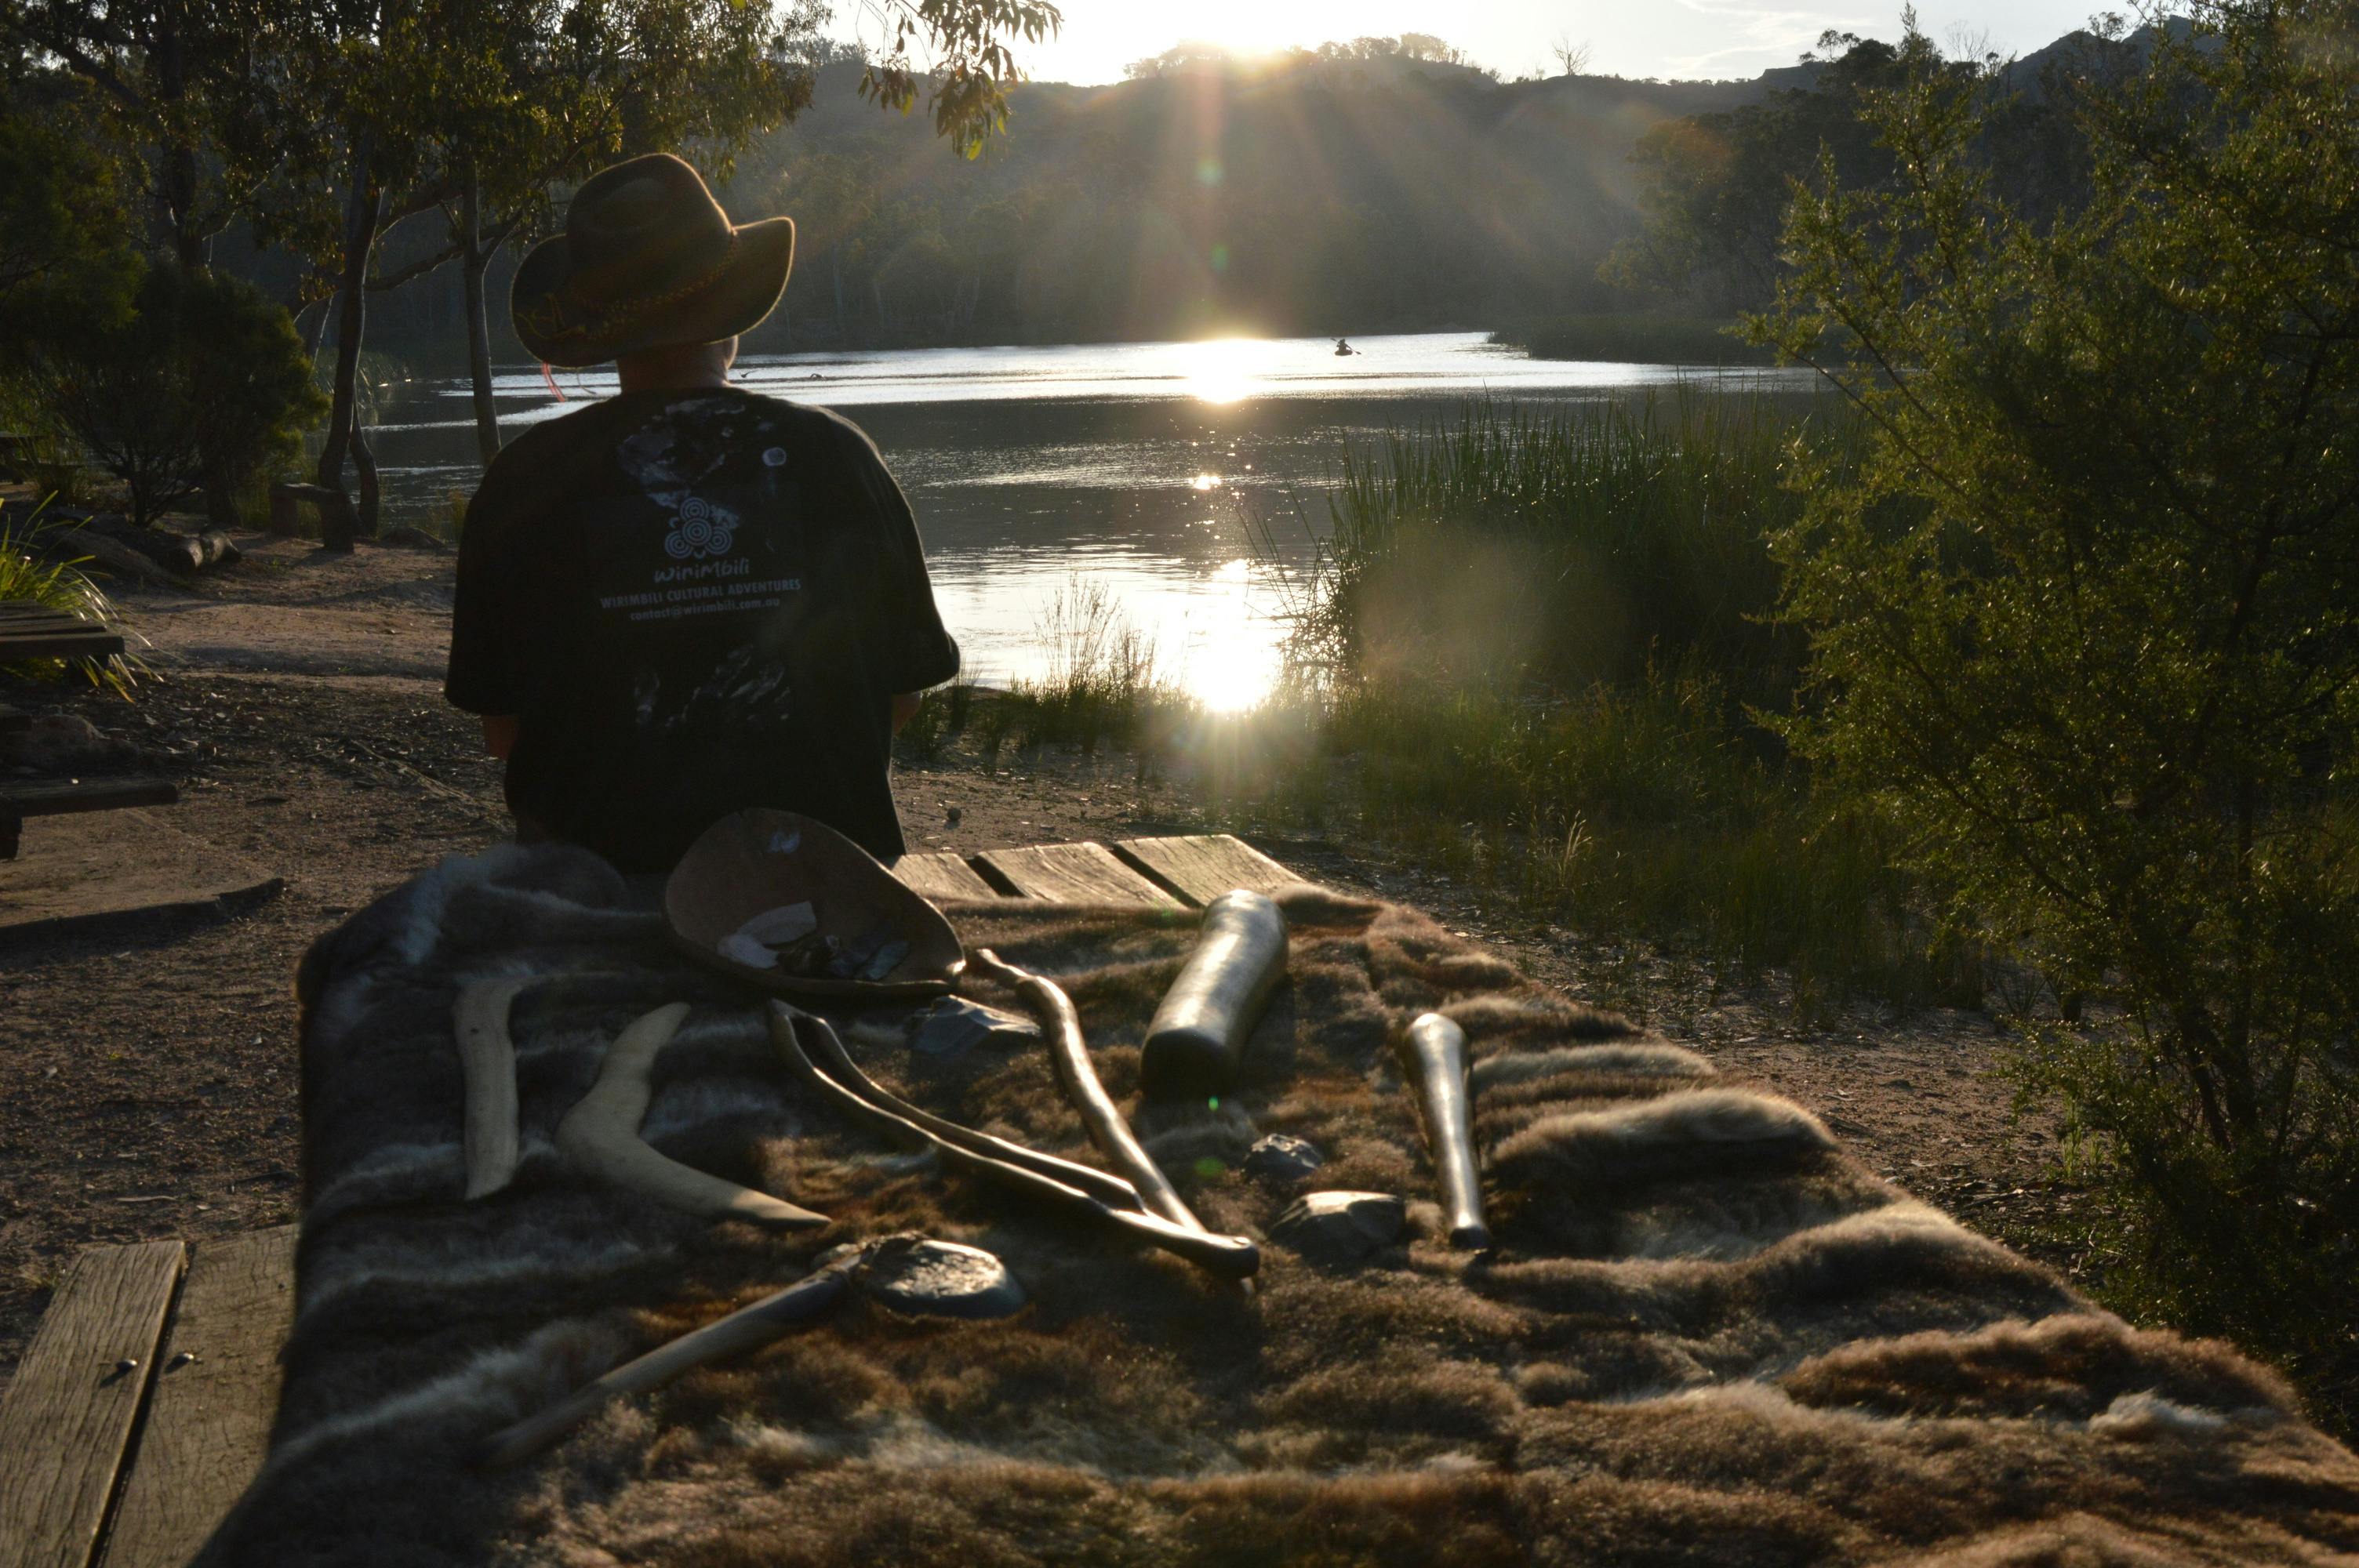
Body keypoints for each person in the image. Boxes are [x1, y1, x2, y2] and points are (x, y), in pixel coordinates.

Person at [445, 153, 958, 873]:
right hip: (825, 893)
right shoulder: (835, 458)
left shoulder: (524, 481)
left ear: (600, 327)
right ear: (732, 308)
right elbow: (898, 697)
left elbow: (504, 732)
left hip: (589, 901)